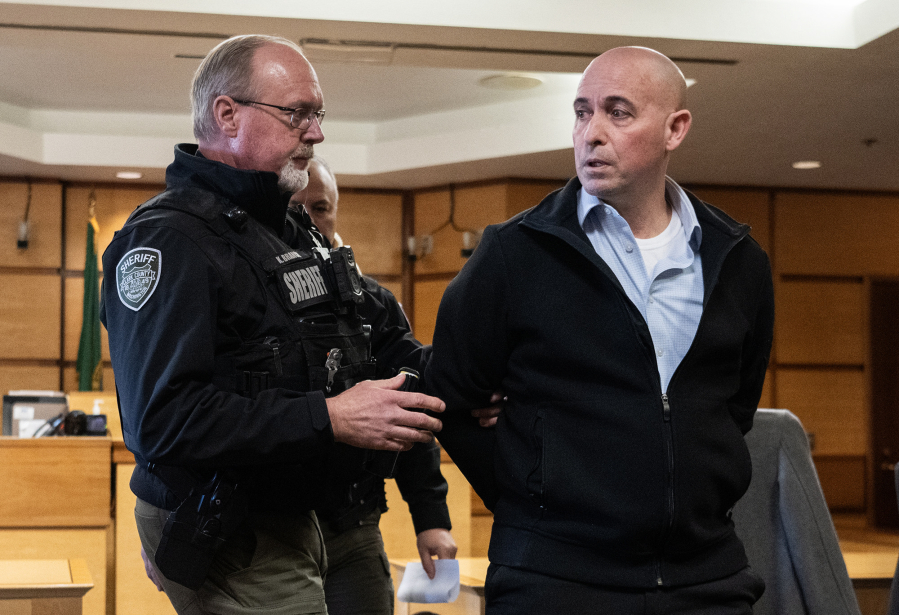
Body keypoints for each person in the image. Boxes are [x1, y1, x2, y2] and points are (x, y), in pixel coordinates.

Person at [101, 34, 445, 615]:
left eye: (317, 115)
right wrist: (330, 417)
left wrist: (475, 377)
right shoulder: (166, 240)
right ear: (227, 114)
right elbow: (163, 422)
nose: (316, 133)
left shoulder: (289, 231)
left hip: (315, 511)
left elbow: (376, 348)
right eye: (297, 114)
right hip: (230, 523)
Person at [425, 46, 775, 614]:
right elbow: (451, 396)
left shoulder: (737, 259)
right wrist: (535, 497)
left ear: (675, 128)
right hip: (555, 578)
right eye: (582, 111)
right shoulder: (514, 253)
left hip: (706, 578)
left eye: (617, 112)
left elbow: (732, 407)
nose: (590, 133)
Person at [287, 156, 457, 615]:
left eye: (320, 207)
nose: (309, 221)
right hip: (271, 533)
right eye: (294, 207)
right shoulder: (249, 301)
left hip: (354, 525)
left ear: (336, 212)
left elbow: (409, 406)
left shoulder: (373, 304)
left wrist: (431, 520)